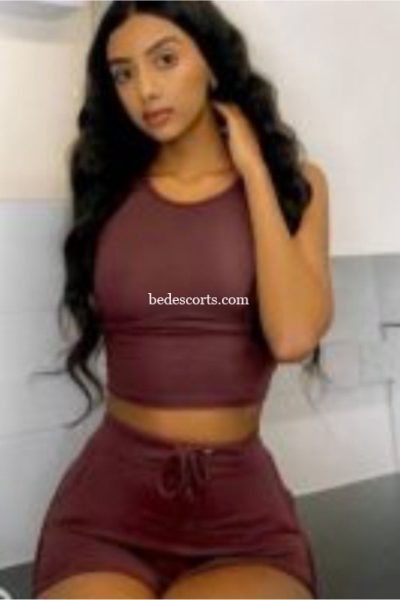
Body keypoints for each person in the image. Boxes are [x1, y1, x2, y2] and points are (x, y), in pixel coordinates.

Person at [32, 1, 334, 598]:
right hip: (107, 509)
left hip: (240, 517)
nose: (145, 89)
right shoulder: (108, 186)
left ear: (212, 63)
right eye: (123, 73)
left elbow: (294, 336)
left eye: (165, 60)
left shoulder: (297, 186)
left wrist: (251, 169)